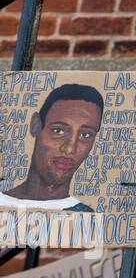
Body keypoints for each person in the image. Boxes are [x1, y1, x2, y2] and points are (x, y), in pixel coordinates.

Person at [0, 83, 102, 212]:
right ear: (35, 125)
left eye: (85, 135)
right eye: (58, 131)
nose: (70, 149)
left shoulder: (87, 218)